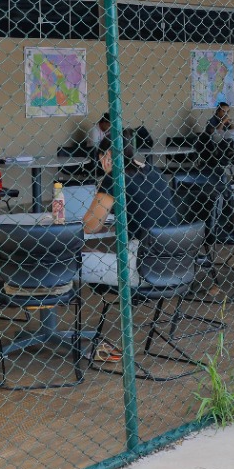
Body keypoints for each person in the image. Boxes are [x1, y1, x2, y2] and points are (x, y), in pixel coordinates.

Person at [81, 133, 180, 363]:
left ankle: (68, 334)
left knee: (68, 259)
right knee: (95, 255)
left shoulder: (115, 177)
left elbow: (91, 225)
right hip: (173, 266)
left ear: (106, 158)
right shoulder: (153, 173)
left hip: (140, 270)